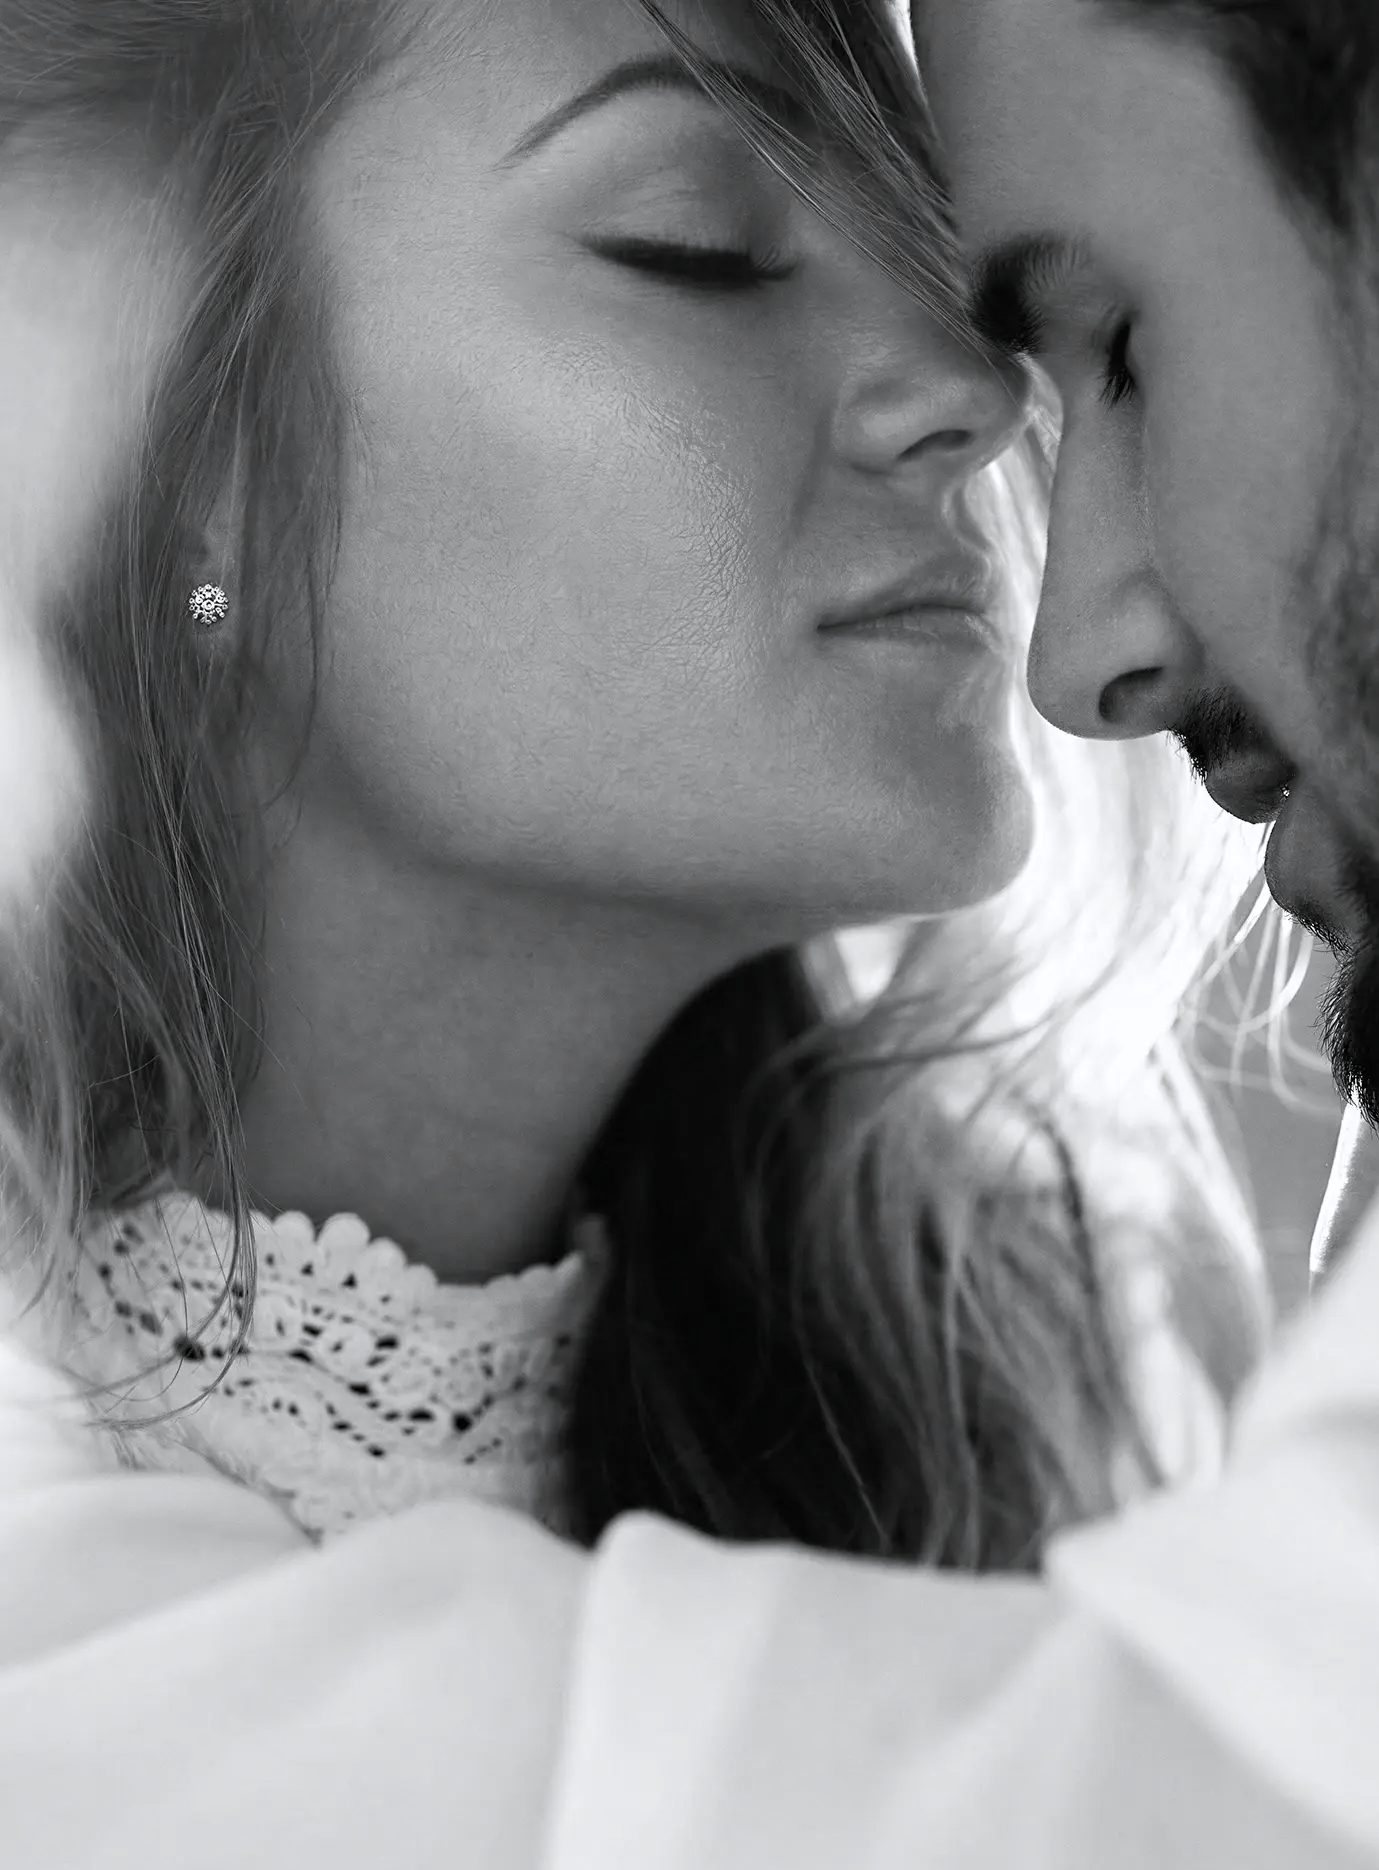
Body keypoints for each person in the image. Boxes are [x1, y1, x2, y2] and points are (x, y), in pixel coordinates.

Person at [5, 5, 1379, 1870]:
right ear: (128, 408)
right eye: (696, 244)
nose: (971, 397)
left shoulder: (1004, 1429)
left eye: (1066, 321)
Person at [0, 0, 1267, 1573]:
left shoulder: (1054, 1414)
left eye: (934, 248)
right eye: (699, 249)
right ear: (168, 454)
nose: (981, 383)